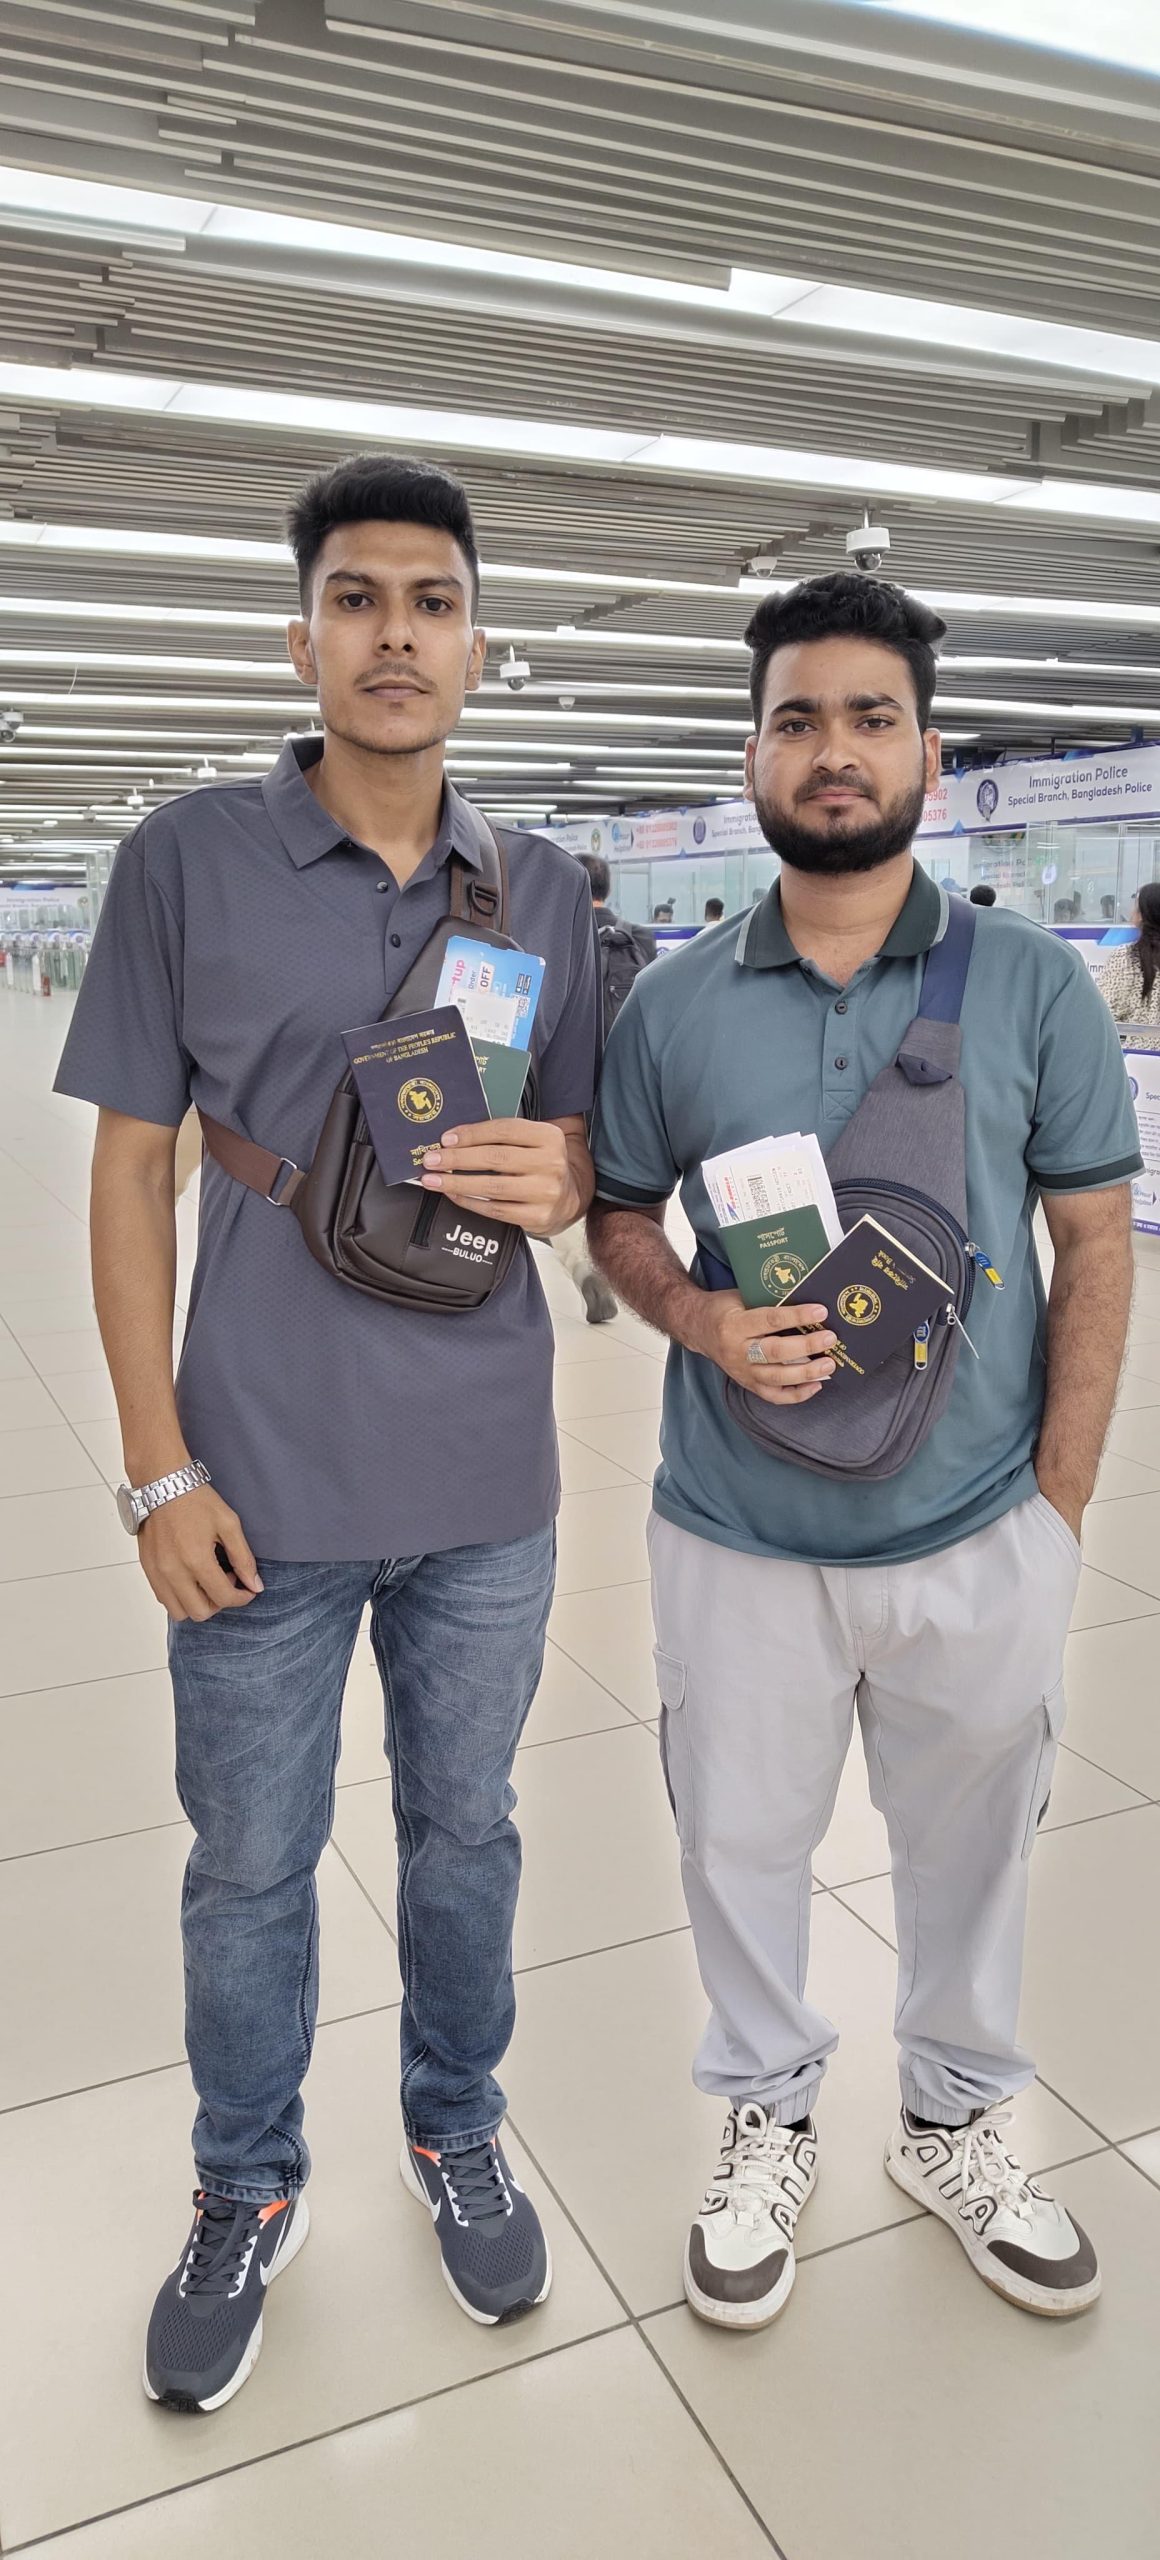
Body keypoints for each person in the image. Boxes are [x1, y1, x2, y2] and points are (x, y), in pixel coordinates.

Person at [54, 454, 602, 2410]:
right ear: (302, 639)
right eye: (357, 598)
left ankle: (457, 2126)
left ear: (477, 645)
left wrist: (561, 1176)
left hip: (486, 1480)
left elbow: (585, 1159)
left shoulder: (545, 888)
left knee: (469, 1832)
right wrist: (156, 1466)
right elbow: (130, 1177)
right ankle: (246, 2179)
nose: (396, 633)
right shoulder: (184, 861)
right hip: (256, 1484)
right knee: (250, 1864)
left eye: (433, 601)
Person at [588, 570, 1139, 2332]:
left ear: (929, 754)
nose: (834, 751)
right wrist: (701, 1319)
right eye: (798, 719)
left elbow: (1096, 1243)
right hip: (735, 1532)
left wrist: (1057, 1509)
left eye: (871, 719)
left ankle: (957, 2122)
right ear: (753, 753)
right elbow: (617, 1218)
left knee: (972, 1852)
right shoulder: (675, 1005)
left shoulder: (1035, 986)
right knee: (737, 1844)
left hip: (978, 1528)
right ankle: (766, 2110)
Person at [552, 854, 655, 1323]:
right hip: (627, 1080)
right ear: (607, 889)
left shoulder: (558, 935)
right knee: (619, 1183)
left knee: (564, 1177)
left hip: (568, 1081)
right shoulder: (638, 937)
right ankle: (614, 1261)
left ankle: (582, 1265)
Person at [1095, 883, 1160, 1049]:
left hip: (1139, 1056)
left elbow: (1103, 1011)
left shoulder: (1126, 957)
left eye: (1136, 906)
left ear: (1143, 914)